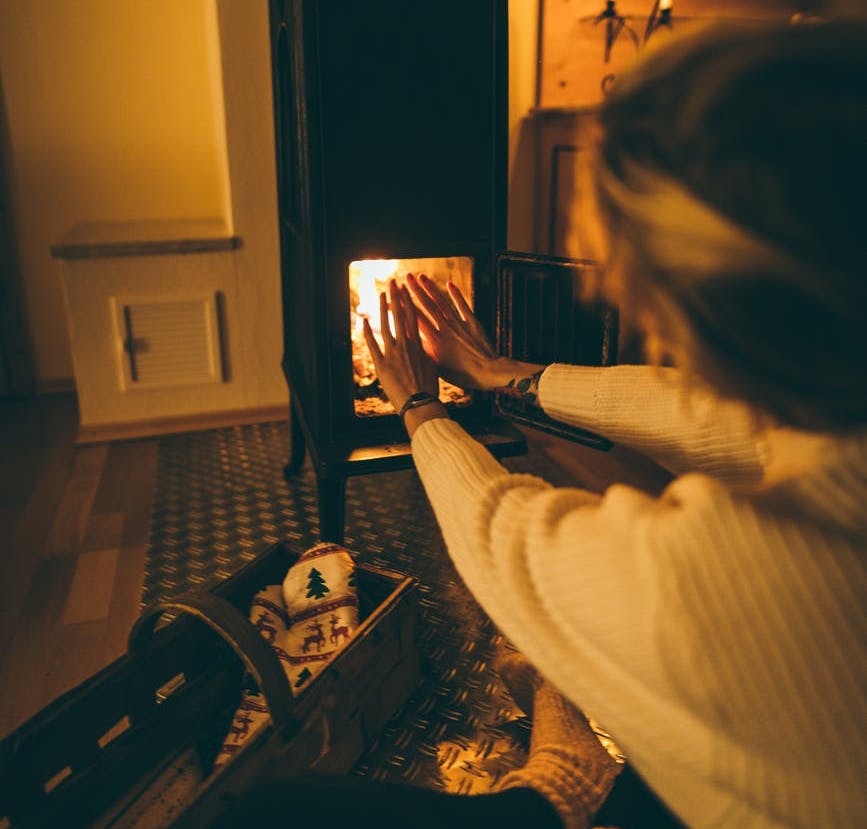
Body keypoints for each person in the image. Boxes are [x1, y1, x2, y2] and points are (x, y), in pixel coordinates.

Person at [214, 17, 866, 829]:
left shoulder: (740, 582)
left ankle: (561, 769)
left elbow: (505, 535)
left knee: (270, 814)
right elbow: (722, 420)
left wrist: (417, 404)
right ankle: (570, 764)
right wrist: (501, 375)